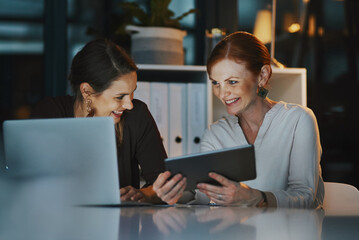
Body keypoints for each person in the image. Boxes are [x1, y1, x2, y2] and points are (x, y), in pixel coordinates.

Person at [153, 31, 324, 208]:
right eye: (215, 83)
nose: (222, 93)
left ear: (262, 76)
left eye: (232, 82)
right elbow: (205, 200)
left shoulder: (298, 120)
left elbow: (306, 197)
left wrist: (258, 198)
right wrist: (175, 192)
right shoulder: (216, 134)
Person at [31, 38, 166, 203]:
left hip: (121, 225)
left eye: (132, 92)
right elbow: (32, 186)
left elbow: (163, 182)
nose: (129, 104)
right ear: (87, 91)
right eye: (119, 96)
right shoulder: (51, 113)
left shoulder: (137, 115)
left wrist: (145, 194)